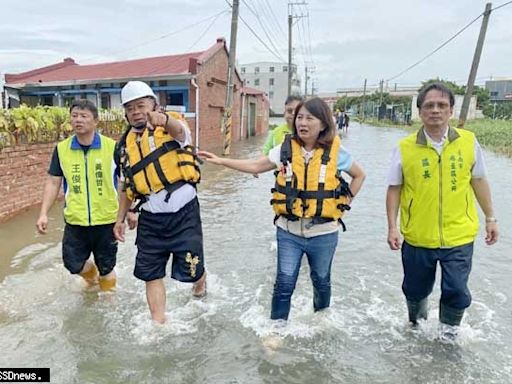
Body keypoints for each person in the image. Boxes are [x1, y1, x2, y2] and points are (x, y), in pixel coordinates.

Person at [199, 97, 366, 321]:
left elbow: (359, 175)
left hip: (324, 233)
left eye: (309, 118)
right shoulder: (284, 149)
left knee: (322, 280)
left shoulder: (337, 151)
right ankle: (277, 330)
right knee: (284, 281)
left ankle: (321, 321)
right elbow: (256, 166)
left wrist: (343, 205)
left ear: (323, 124)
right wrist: (221, 161)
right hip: (288, 231)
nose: (302, 123)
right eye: (299, 117)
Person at [386, 83, 499, 338]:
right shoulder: (404, 147)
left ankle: (449, 337)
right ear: (420, 111)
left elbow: (478, 180)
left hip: (459, 235)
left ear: (450, 110)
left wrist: (491, 218)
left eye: (441, 105)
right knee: (415, 290)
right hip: (418, 236)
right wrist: (392, 226)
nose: (435, 110)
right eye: (429, 105)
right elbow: (394, 188)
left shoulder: (468, 142)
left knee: (458, 291)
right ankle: (416, 328)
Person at [113, 81, 206, 324]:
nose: (135, 112)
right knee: (150, 273)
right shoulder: (124, 147)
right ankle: (158, 321)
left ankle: (200, 283)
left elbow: (181, 134)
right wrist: (119, 219)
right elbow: (125, 185)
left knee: (192, 268)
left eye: (141, 105)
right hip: (151, 218)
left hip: (184, 214)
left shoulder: (172, 124)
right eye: (130, 108)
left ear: (154, 104)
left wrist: (163, 120)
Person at [36, 99, 119, 292]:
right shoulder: (62, 149)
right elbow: (53, 181)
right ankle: (93, 278)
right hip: (76, 219)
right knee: (72, 263)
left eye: (84, 116)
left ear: (96, 121)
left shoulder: (112, 147)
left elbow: (125, 183)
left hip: (106, 219)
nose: (78, 120)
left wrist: (127, 213)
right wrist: (43, 213)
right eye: (74, 116)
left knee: (107, 265)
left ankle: (107, 298)